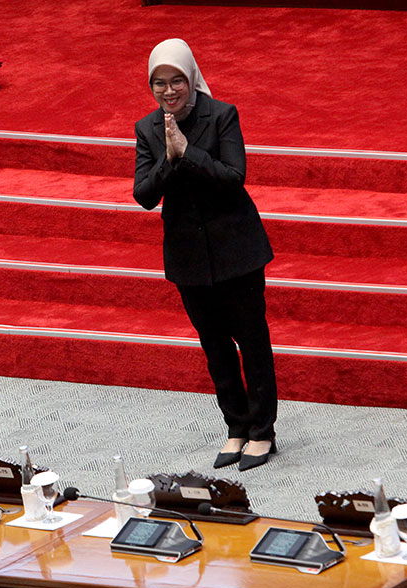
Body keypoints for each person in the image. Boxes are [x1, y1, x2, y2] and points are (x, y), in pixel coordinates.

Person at [133, 38, 278, 471]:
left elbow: (234, 177)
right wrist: (169, 158)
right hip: (189, 256)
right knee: (214, 346)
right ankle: (235, 427)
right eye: (159, 83)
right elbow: (143, 194)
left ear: (192, 77)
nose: (169, 91)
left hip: (237, 251)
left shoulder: (222, 115)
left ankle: (263, 431)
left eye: (177, 80)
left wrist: (188, 153)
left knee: (251, 342)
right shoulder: (147, 129)